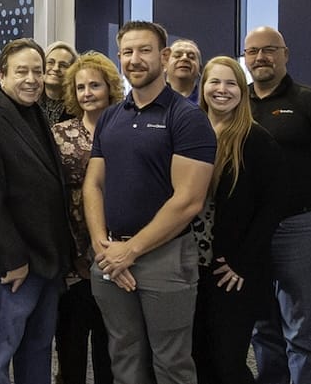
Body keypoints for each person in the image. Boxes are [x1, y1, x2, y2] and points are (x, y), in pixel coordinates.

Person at [85, 21, 215, 384]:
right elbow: (93, 184)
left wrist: (131, 251)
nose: (135, 59)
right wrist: (102, 245)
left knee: (171, 362)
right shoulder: (111, 117)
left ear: (164, 56)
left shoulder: (187, 118)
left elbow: (188, 201)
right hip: (111, 253)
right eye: (127, 52)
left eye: (144, 50)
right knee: (123, 355)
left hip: (165, 257)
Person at [243, 27, 311, 384]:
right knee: (262, 322)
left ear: (285, 54)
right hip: (251, 229)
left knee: (300, 324)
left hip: (297, 227)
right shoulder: (239, 101)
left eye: (269, 50)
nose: (261, 57)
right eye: (252, 51)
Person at [0, 38, 72, 384]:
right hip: (12, 265)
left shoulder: (34, 114)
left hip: (45, 258)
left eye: (37, 72)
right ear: (1, 76)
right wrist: (14, 260)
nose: (31, 79)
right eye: (21, 71)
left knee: (38, 347)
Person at [191, 57, 284, 384]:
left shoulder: (255, 139)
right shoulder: (191, 133)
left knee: (227, 362)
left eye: (231, 83)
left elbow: (272, 208)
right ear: (203, 88)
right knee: (197, 356)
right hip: (191, 265)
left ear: (242, 91)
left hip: (231, 268)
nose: (222, 90)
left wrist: (242, 263)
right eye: (214, 82)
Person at [49, 52, 120, 384]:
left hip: (117, 247)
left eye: (95, 85)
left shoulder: (124, 129)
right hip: (71, 247)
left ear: (110, 87)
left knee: (111, 342)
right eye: (80, 87)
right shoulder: (59, 134)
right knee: (71, 340)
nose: (87, 93)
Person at [40, 42, 78, 126]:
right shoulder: (30, 102)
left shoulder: (78, 107)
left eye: (63, 65)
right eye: (50, 62)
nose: (56, 68)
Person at [166, 39, 203, 103]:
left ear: (200, 69)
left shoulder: (207, 104)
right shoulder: (149, 99)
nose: (184, 58)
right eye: (177, 56)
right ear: (164, 65)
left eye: (191, 57)